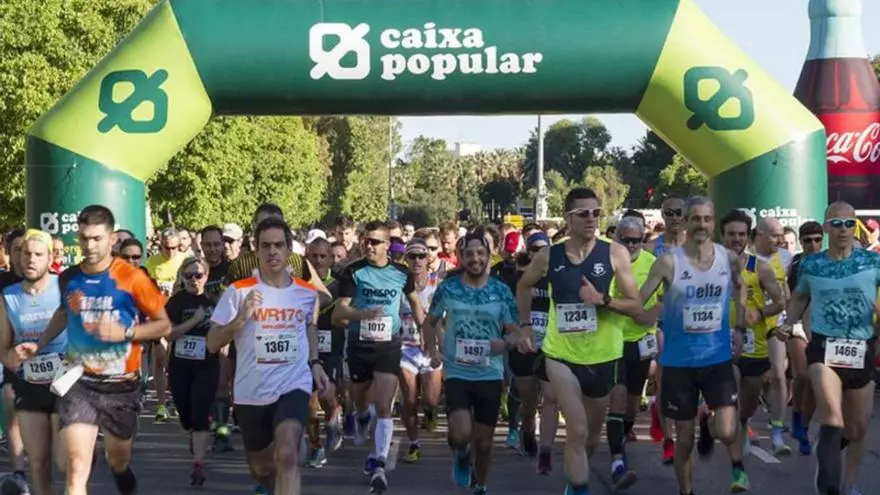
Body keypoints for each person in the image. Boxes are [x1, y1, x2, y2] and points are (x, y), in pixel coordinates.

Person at [16, 205, 171, 495]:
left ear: (111, 239)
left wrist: (126, 333)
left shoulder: (133, 278)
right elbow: (64, 312)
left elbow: (164, 325)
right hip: (80, 380)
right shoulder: (69, 277)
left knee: (118, 458)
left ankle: (121, 472)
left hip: (122, 384)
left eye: (97, 238)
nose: (89, 246)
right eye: (84, 238)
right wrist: (39, 344)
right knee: (75, 467)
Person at [517, 187, 641, 495]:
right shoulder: (549, 256)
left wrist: (603, 299)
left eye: (596, 213)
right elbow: (524, 286)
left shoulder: (614, 253)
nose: (591, 219)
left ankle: (574, 483)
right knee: (577, 426)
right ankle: (581, 488)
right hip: (561, 354)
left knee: (590, 437)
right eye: (583, 213)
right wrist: (525, 326)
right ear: (567, 218)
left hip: (603, 355)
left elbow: (636, 305)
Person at [208, 217, 330, 495]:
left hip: (293, 384)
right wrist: (240, 319)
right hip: (251, 392)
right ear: (256, 249)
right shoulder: (238, 291)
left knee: (286, 454)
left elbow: (309, 327)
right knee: (262, 469)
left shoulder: (306, 293)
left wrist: (315, 363)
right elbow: (213, 343)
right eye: (266, 246)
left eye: (278, 245)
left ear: (289, 250)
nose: (272, 251)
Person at [638, 196, 748, 494]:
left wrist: (740, 327)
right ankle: (686, 491)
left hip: (717, 358)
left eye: (707, 219)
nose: (702, 224)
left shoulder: (728, 258)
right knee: (684, 440)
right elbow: (640, 300)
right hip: (679, 363)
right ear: (685, 222)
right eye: (695, 218)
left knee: (727, 429)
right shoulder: (668, 262)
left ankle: (714, 436)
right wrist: (611, 303)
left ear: (713, 223)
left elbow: (740, 287)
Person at [780, 201, 878, 495]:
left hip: (862, 347)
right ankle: (830, 484)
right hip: (825, 346)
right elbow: (800, 297)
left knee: (857, 428)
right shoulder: (811, 264)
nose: (843, 229)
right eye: (836, 224)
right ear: (826, 228)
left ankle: (849, 483)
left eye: (849, 223)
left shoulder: (872, 262)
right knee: (832, 416)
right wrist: (789, 322)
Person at [422, 231, 529, 495]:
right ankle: (460, 453)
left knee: (484, 443)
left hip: (489, 373)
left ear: (489, 256)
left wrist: (505, 343)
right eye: (469, 254)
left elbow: (514, 331)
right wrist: (432, 350)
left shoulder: (501, 291)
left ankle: (481, 485)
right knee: (460, 433)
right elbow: (429, 322)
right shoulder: (449, 288)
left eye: (480, 253)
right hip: (457, 371)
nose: (475, 258)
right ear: (461, 257)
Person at [331, 220, 424, 492]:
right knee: (361, 400)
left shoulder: (401, 273)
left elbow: (415, 304)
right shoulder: (354, 272)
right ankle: (362, 415)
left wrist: (427, 335)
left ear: (387, 245)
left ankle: (379, 463)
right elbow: (339, 312)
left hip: (388, 345)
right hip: (359, 345)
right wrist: (363, 314)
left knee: (384, 406)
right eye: (366, 241)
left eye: (375, 242)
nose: (369, 246)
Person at [0, 230, 67, 495]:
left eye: (38, 254)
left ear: (50, 258)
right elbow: (3, 347)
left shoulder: (65, 287)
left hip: (65, 383)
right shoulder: (8, 296)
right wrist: (11, 357)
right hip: (29, 383)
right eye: (26, 253)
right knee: (39, 463)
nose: (31, 259)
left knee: (65, 461)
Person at [719, 210, 786, 458]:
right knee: (731, 383)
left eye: (741, 234)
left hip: (754, 344)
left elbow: (780, 302)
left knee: (749, 401)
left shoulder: (760, 267)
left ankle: (743, 422)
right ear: (722, 236)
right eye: (731, 234)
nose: (736, 239)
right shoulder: (710, 266)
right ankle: (732, 438)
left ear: (748, 237)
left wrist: (759, 313)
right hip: (721, 342)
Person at [603, 217, 661, 490]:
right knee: (617, 399)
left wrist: (652, 314)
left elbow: (666, 297)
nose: (630, 245)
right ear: (615, 238)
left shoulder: (652, 263)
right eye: (624, 240)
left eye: (635, 240)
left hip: (641, 340)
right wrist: (627, 308)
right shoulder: (606, 261)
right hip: (612, 340)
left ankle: (623, 433)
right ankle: (617, 461)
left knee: (631, 404)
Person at [165, 257, 219, 487]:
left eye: (198, 275)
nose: (193, 280)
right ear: (182, 277)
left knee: (200, 412)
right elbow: (169, 334)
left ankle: (198, 464)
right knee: (186, 415)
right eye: (188, 276)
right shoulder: (176, 302)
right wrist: (194, 321)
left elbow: (222, 331)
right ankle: (194, 431)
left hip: (207, 364)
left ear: (206, 277)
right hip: (180, 365)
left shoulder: (214, 301)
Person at [398, 239, 443, 463]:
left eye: (421, 256)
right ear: (406, 259)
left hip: (430, 350)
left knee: (431, 400)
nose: (416, 260)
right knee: (409, 401)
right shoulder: (398, 285)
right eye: (412, 256)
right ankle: (414, 443)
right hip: (405, 348)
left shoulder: (438, 285)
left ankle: (431, 412)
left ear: (428, 259)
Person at [787, 220, 824, 455]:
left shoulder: (829, 262)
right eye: (808, 240)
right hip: (797, 323)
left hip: (822, 326)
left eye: (817, 240)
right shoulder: (794, 263)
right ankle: (795, 415)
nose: (813, 244)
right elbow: (788, 294)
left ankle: (803, 424)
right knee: (801, 375)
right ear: (801, 242)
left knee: (814, 382)